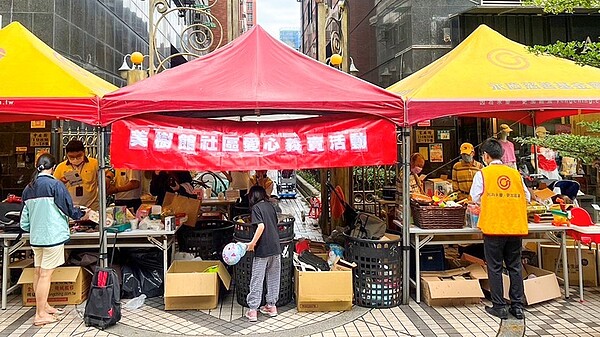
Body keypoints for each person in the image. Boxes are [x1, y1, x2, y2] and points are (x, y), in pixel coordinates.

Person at [20, 154, 88, 326]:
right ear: (54, 167)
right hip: (52, 236)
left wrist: (35, 229)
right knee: (45, 275)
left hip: (36, 237)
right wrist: (82, 214)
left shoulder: (28, 188)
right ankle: (40, 314)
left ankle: (44, 306)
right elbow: (68, 209)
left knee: (38, 272)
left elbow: (24, 220)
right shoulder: (55, 185)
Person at [470, 138, 530, 320]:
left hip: (494, 226)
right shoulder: (515, 174)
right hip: (515, 226)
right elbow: (526, 196)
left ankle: (499, 306)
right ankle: (517, 306)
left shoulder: (483, 173)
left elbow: (474, 197)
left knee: (495, 267)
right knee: (515, 266)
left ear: (486, 156)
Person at [245, 185, 282, 322]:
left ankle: (253, 310)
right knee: (273, 276)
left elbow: (261, 226)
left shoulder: (256, 208)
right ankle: (271, 306)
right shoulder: (271, 206)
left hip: (263, 248)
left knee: (257, 278)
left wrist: (252, 244)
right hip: (275, 247)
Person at [53, 140, 99, 211]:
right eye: (71, 157)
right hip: (70, 209)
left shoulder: (94, 163)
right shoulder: (61, 167)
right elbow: (53, 187)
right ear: (67, 155)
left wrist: (108, 176)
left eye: (78, 156)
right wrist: (61, 182)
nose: (75, 159)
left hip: (92, 208)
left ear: (84, 152)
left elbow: (106, 175)